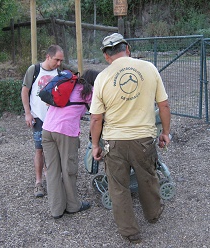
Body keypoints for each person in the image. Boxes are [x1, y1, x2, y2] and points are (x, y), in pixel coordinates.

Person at [89, 33, 171, 244]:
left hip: (114, 142)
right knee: (148, 177)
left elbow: (96, 118)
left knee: (118, 187)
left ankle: (130, 231)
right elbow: (164, 106)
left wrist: (95, 145)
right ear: (127, 49)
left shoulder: (102, 78)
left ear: (106, 56)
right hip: (143, 139)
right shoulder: (150, 69)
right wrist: (165, 133)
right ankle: (153, 215)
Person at [42, 69, 99, 219]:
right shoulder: (89, 91)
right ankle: (73, 206)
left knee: (53, 170)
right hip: (65, 132)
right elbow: (98, 115)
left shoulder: (69, 85)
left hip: (47, 129)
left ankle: (56, 210)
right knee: (69, 169)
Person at [21, 45, 76, 197]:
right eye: (57, 60)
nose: (59, 63)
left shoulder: (61, 73)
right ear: (48, 57)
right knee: (39, 150)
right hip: (38, 117)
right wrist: (27, 113)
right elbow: (25, 91)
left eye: (61, 60)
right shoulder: (34, 70)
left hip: (56, 119)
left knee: (56, 150)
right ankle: (38, 182)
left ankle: (52, 178)